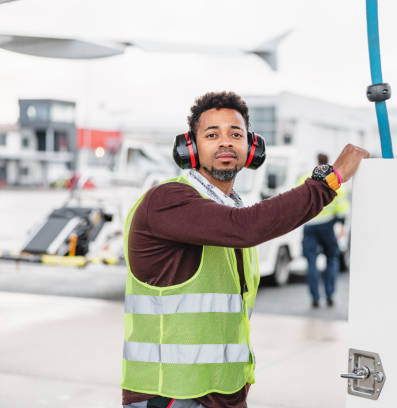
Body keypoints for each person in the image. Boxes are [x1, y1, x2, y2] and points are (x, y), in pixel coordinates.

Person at [121, 91, 369, 408]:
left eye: (235, 134)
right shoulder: (167, 200)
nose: (225, 142)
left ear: (251, 148)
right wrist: (329, 180)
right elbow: (246, 226)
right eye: (212, 134)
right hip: (171, 395)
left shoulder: (226, 211)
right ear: (190, 148)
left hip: (225, 394)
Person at [297, 153, 349, 308]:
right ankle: (330, 294)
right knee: (332, 258)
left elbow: (297, 200)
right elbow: (341, 206)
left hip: (310, 226)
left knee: (311, 261)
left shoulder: (305, 178)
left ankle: (314, 298)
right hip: (328, 226)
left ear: (317, 162)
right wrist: (341, 225)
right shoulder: (334, 181)